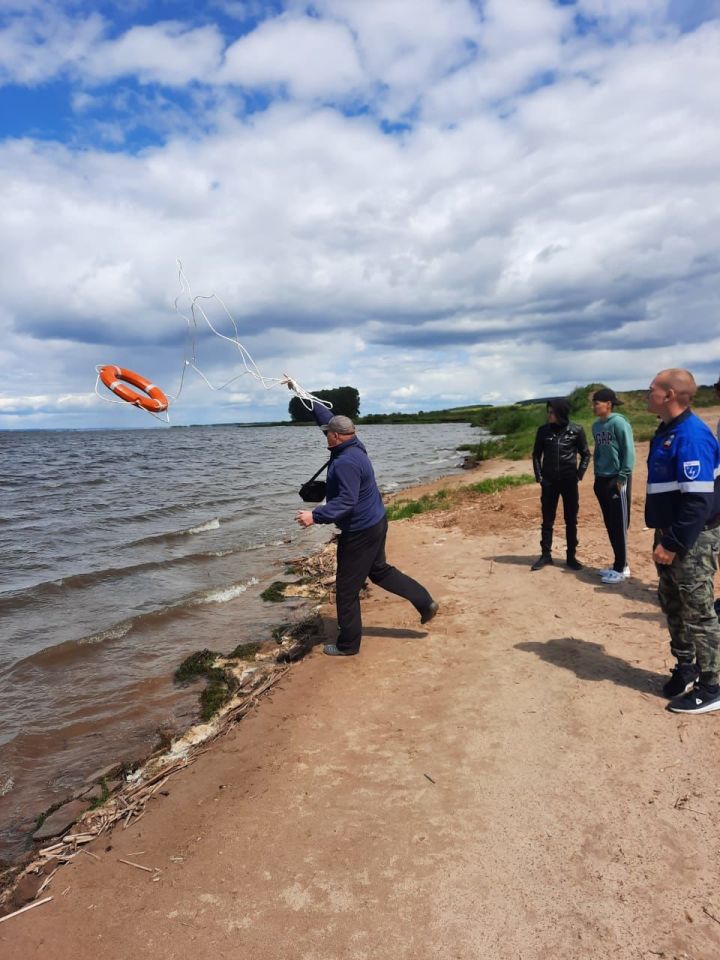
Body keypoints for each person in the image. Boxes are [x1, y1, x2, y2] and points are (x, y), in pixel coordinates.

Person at [294, 405, 438, 656]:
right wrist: (305, 398)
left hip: (360, 531)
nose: (325, 435)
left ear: (336, 437)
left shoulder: (345, 462)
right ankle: (425, 602)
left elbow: (346, 502)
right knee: (380, 571)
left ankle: (348, 645)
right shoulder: (354, 444)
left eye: (328, 433)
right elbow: (329, 421)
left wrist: (314, 516)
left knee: (347, 590)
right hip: (376, 521)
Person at [645, 368, 720, 714]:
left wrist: (672, 543)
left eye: (652, 390)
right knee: (672, 603)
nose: (647, 395)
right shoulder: (667, 430)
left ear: (670, 395)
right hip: (670, 534)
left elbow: (698, 502)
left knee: (698, 611)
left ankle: (712, 685)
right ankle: (686, 666)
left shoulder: (691, 436)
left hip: (690, 540)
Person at [530, 398, 591, 571]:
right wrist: (539, 477)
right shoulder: (543, 431)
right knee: (547, 520)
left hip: (569, 481)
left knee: (571, 520)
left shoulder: (576, 430)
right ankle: (545, 555)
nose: (548, 415)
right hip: (549, 482)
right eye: (548, 412)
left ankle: (571, 557)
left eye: (551, 412)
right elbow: (536, 455)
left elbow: (586, 454)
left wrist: (579, 474)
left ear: (560, 413)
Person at [591, 388, 635, 584]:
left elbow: (628, 450)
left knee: (619, 522)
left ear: (608, 403)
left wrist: (623, 475)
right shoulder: (596, 426)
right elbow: (599, 452)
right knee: (610, 522)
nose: (594, 407)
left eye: (596, 403)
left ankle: (622, 567)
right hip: (602, 478)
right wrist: (596, 474)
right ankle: (618, 562)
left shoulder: (618, 422)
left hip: (618, 478)